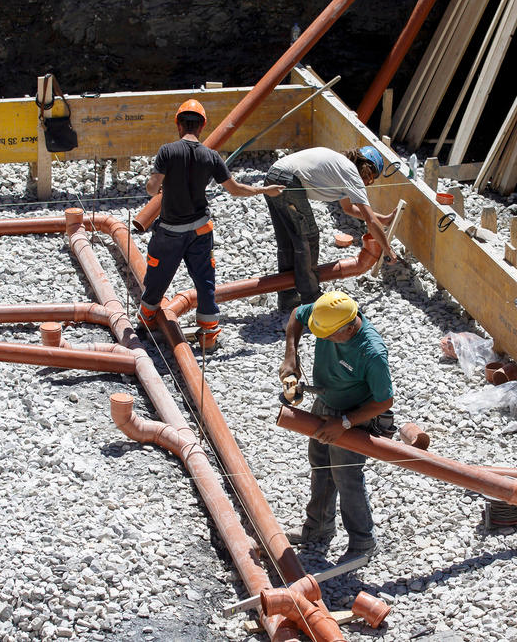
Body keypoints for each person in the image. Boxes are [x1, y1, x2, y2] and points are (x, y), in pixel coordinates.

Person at [137, 99, 282, 348]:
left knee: (157, 275)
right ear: (202, 127)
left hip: (170, 231)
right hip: (200, 230)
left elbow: (152, 189)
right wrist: (264, 190)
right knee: (205, 281)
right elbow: (236, 189)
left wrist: (157, 185)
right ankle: (208, 334)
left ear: (179, 125)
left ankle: (148, 319)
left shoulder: (167, 151)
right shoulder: (211, 156)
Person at [278, 290, 394, 563]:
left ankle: (363, 542)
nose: (322, 338)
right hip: (326, 403)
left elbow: (384, 401)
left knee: (346, 476)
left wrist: (343, 423)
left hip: (356, 415)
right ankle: (318, 528)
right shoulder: (328, 314)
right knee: (320, 465)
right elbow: (297, 315)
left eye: (328, 335)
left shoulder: (371, 352)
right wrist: (291, 356)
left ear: (350, 326)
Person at [263, 146, 398, 313]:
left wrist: (383, 219)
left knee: (287, 242)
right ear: (368, 170)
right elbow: (369, 219)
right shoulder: (351, 173)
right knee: (308, 237)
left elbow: (349, 208)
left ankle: (287, 297)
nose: (367, 184)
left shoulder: (340, 167)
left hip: (272, 177)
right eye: (370, 180)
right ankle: (311, 298)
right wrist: (388, 249)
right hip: (287, 181)